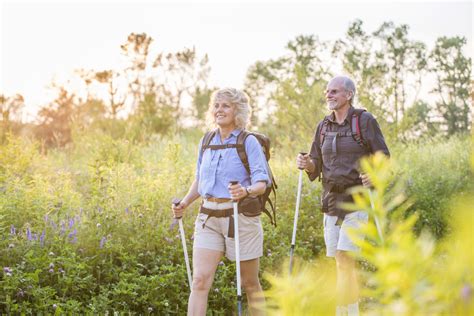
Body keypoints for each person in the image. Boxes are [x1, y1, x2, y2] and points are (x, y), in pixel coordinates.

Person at [296, 75, 390, 316]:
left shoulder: (365, 121)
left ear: (349, 95)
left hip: (358, 199)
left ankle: (343, 312)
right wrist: (306, 163)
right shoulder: (323, 126)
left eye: (334, 91)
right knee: (340, 262)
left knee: (344, 258)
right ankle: (351, 309)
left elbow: (382, 155)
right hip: (330, 201)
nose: (329, 95)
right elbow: (315, 163)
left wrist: (375, 174)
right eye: (327, 91)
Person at [172, 88, 270, 316]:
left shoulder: (249, 142)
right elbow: (200, 179)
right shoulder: (206, 141)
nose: (219, 110)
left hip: (240, 218)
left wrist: (244, 191)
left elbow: (261, 183)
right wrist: (185, 203)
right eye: (216, 105)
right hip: (208, 217)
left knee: (249, 284)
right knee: (199, 281)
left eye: (226, 105)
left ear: (238, 110)